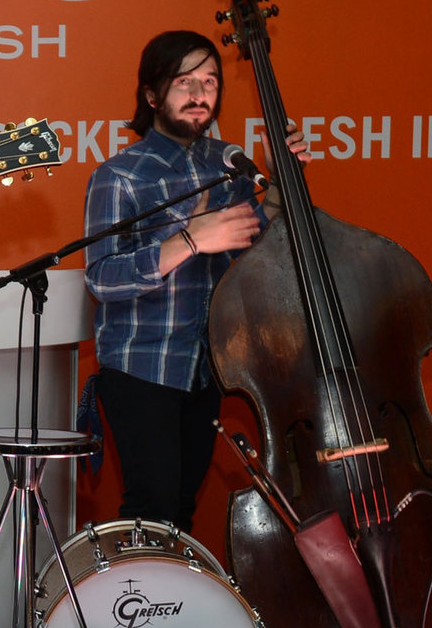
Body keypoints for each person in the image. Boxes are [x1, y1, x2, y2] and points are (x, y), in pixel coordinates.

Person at [83, 30, 309, 533]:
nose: (199, 93)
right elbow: (102, 278)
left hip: (205, 369)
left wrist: (279, 181)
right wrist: (190, 240)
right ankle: (137, 588)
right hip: (143, 369)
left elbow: (259, 248)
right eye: (183, 81)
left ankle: (168, 589)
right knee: (152, 509)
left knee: (180, 513)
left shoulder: (228, 165)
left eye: (209, 81)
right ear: (151, 95)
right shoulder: (120, 176)